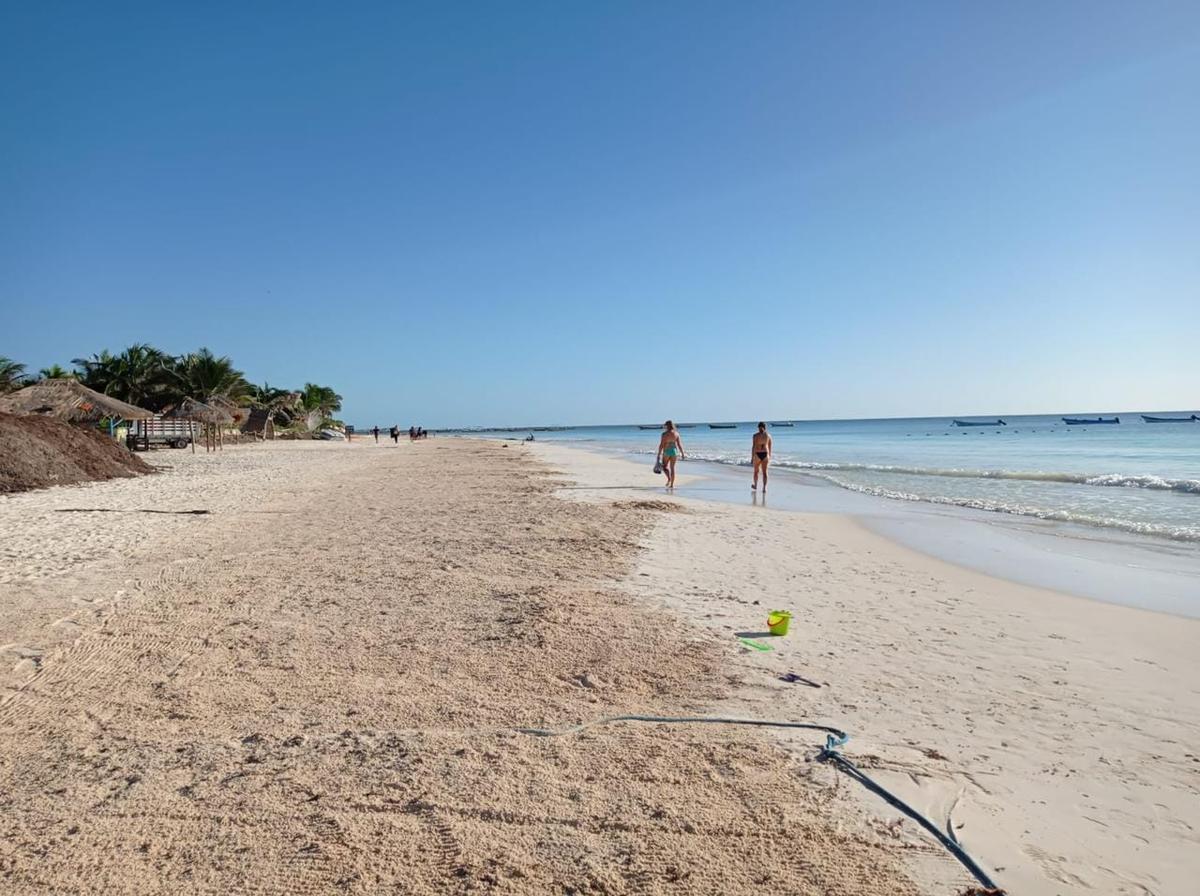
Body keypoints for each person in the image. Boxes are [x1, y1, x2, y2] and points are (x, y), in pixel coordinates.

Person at [656, 420, 685, 488]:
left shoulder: (664, 434)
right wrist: (682, 453)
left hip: (667, 451)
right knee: (672, 468)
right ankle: (672, 485)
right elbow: (679, 445)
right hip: (674, 452)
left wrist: (659, 454)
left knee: (664, 467)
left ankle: (669, 479)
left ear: (667, 426)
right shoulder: (676, 434)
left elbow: (661, 445)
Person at [751, 421, 771, 491]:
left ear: (758, 427)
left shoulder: (755, 436)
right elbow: (770, 447)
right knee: (765, 472)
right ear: (765, 427)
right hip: (765, 454)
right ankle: (764, 488)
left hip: (757, 454)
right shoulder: (768, 436)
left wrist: (752, 457)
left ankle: (756, 485)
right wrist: (769, 456)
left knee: (756, 471)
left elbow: (753, 447)